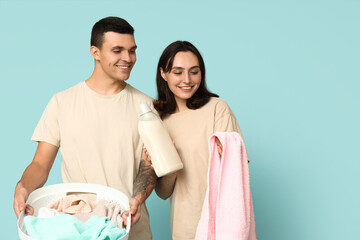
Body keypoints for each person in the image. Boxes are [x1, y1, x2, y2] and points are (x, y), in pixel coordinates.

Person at [13, 16, 156, 240]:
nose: (127, 58)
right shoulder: (62, 102)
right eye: (117, 50)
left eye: (132, 50)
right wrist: (23, 187)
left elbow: (149, 168)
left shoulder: (147, 107)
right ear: (95, 52)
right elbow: (40, 163)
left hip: (131, 229)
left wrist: (137, 199)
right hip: (79, 230)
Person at [154, 41, 250, 239]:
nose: (187, 80)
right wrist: (171, 169)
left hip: (222, 224)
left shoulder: (217, 108)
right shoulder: (159, 122)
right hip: (184, 227)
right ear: (164, 74)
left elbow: (236, 170)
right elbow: (163, 193)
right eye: (178, 72)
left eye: (194, 72)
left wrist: (229, 155)